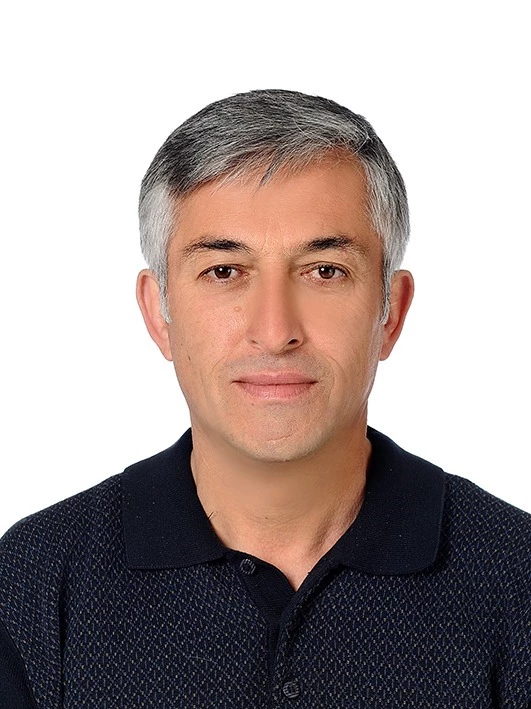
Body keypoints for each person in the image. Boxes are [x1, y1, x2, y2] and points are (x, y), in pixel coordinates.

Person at [0, 90, 529, 708]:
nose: (276, 331)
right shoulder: (33, 584)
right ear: (158, 313)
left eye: (324, 270)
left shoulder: (517, 579)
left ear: (391, 312)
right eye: (224, 272)